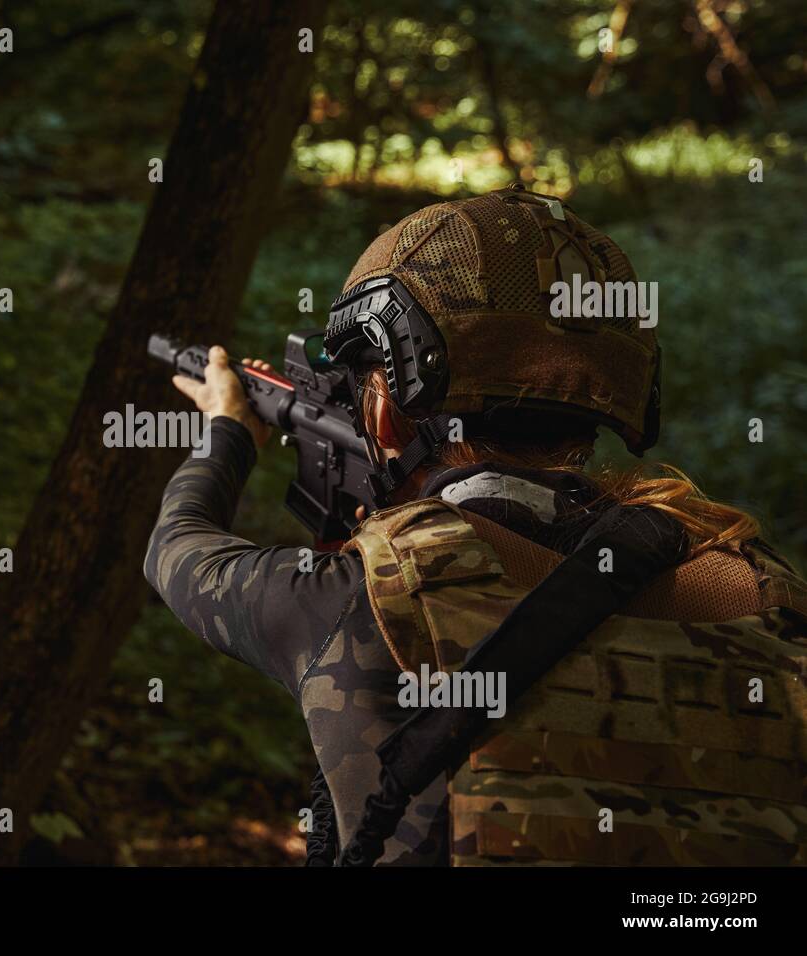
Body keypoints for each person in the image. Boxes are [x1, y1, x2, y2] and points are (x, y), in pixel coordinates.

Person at [144, 184, 807, 866]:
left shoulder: (358, 598)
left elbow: (176, 547)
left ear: (383, 413)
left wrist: (227, 430)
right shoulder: (767, 595)